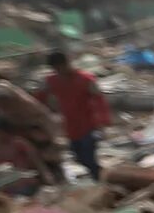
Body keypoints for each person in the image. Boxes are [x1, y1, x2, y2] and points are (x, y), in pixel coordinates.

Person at [37, 49, 111, 180]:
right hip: (70, 127)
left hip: (89, 125)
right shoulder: (51, 81)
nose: (59, 71)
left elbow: (99, 100)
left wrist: (103, 122)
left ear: (67, 63)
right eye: (56, 69)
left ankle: (100, 180)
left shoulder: (85, 79)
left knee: (88, 156)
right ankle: (101, 176)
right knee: (78, 157)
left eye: (61, 67)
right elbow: (40, 97)